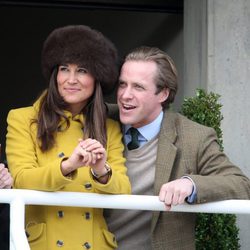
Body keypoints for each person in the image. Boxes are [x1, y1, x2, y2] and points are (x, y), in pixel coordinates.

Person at [105, 46, 250, 250]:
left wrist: (191, 184)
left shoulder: (194, 137)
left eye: (138, 87)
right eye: (122, 84)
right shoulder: (97, 120)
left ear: (163, 93)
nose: (125, 95)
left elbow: (241, 185)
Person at [6, 25, 131, 250]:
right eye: (65, 69)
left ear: (97, 78)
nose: (71, 79)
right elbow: (22, 180)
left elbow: (124, 190)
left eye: (82, 70)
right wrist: (69, 166)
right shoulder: (22, 119)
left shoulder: (109, 127)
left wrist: (101, 170)